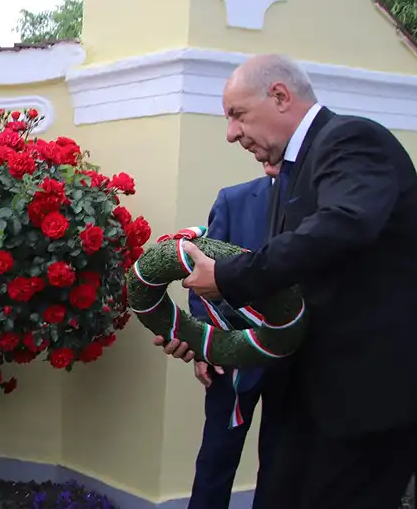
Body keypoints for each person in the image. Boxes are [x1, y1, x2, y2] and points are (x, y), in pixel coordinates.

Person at [158, 54, 417, 509]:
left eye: (238, 115)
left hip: (361, 405)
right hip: (300, 401)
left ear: (279, 96)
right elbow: (288, 290)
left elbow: (344, 224)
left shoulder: (352, 140)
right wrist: (206, 339)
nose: (231, 133)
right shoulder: (289, 175)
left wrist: (227, 276)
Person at [187, 163, 279, 509]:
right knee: (215, 460)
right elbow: (202, 281)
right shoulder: (234, 199)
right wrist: (203, 348)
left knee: (281, 465)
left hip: (296, 361)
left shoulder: (318, 203)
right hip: (234, 357)